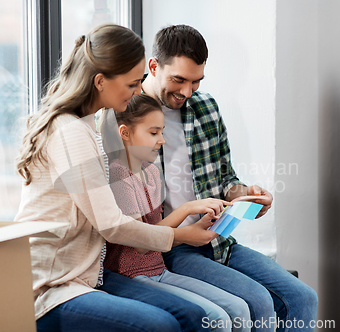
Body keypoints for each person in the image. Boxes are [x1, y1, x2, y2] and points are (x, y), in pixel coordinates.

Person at [14, 23, 221, 332]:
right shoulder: (71, 132)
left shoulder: (83, 126)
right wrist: (179, 236)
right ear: (101, 81)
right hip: (52, 288)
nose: (139, 91)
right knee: (161, 324)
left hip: (81, 279)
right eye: (132, 84)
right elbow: (112, 225)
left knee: (187, 317)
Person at [141, 24, 319, 332]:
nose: (186, 92)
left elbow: (226, 177)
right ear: (154, 66)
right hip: (169, 247)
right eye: (178, 80)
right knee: (258, 301)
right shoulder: (128, 116)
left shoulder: (206, 107)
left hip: (217, 238)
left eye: (196, 81)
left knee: (303, 297)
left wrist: (244, 194)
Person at [100, 94, 251, 332]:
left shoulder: (151, 172)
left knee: (238, 308)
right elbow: (141, 242)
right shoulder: (118, 175)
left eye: (162, 132)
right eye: (153, 133)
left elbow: (159, 227)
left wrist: (201, 222)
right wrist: (187, 208)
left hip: (159, 270)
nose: (161, 140)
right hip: (130, 275)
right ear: (125, 133)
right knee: (217, 318)